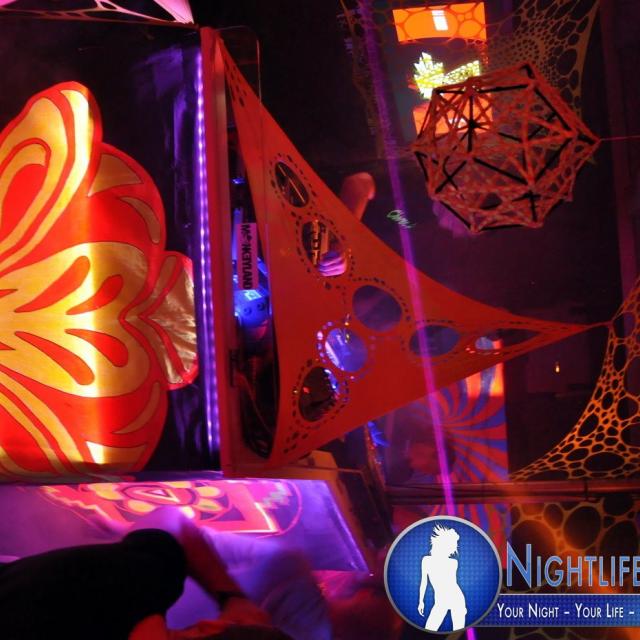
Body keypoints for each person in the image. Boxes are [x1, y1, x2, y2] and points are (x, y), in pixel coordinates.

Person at [417, 524, 467, 632]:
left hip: (456, 599)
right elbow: (423, 582)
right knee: (429, 629)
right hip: (440, 601)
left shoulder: (453, 563)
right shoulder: (426, 560)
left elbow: (452, 584)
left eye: (454, 545)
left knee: (458, 632)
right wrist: (421, 601)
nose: (454, 549)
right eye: (452, 545)